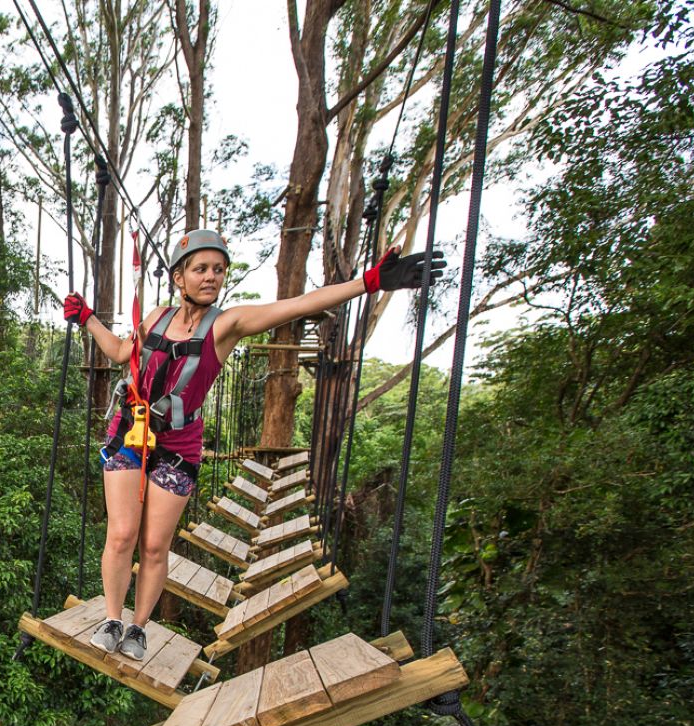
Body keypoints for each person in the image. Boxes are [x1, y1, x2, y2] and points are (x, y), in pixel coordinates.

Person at [63, 230, 443, 661]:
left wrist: (369, 283)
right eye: (201, 269)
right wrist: (89, 318)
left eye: (219, 270)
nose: (211, 277)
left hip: (179, 443)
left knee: (153, 546)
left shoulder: (228, 325)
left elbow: (297, 305)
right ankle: (113, 617)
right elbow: (118, 352)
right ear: (179, 276)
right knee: (122, 534)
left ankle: (137, 628)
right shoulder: (155, 318)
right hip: (130, 431)